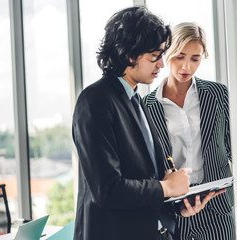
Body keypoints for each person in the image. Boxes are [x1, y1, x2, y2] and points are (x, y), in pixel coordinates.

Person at [72, 8, 223, 240]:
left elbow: (145, 179)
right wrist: (167, 188)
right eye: (155, 55)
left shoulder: (135, 100)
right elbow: (107, 190)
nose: (162, 64)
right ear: (130, 54)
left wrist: (176, 205)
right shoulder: (95, 101)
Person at [143, 22, 237, 239]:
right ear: (167, 53)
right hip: (175, 211)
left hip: (217, 209)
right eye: (180, 56)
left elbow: (231, 149)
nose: (187, 67)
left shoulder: (218, 94)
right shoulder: (147, 106)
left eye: (195, 58)